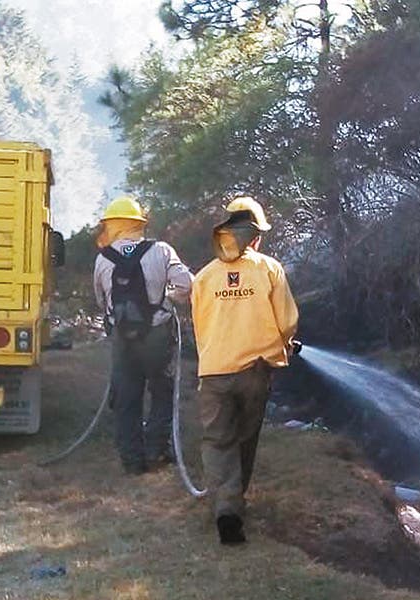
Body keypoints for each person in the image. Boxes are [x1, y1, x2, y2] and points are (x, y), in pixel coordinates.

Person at [191, 196, 299, 545]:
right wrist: (284, 344)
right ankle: (233, 506)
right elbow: (287, 321)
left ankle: (227, 508)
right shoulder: (269, 269)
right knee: (244, 439)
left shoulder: (204, 277)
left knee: (217, 441)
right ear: (255, 236)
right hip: (255, 371)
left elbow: (200, 326)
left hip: (213, 371)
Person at [94, 195, 193, 475]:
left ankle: (132, 461)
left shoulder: (103, 259)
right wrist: (169, 297)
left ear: (112, 225)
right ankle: (157, 452)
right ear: (138, 224)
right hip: (157, 334)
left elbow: (101, 300)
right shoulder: (161, 251)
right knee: (162, 392)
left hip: (122, 337)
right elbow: (188, 284)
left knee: (126, 397)